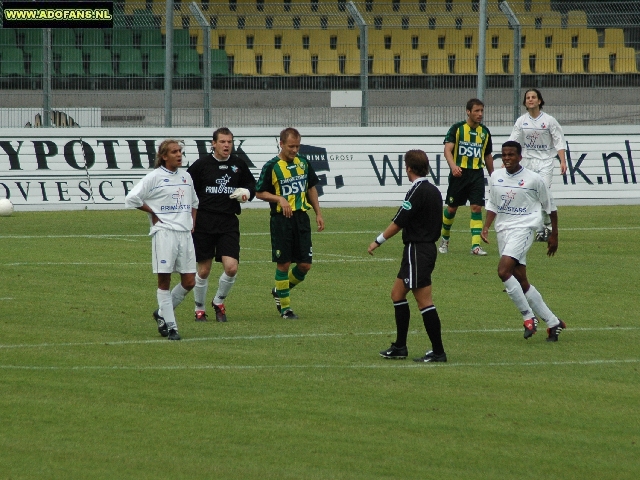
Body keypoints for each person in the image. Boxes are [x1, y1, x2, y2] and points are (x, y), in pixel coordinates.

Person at [481, 141, 566, 342]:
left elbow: (550, 207)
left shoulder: (534, 179)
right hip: (504, 230)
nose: (507, 158)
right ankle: (553, 322)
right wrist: (486, 226)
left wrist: (554, 234)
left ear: (520, 157)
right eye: (504, 155)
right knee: (521, 280)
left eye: (511, 154)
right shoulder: (495, 176)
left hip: (525, 229)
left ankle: (528, 317)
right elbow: (493, 203)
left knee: (503, 271)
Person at [369, 150, 447, 363]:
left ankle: (438, 351)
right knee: (397, 294)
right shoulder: (433, 190)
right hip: (422, 250)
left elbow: (399, 221)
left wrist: (378, 241)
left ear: (409, 168)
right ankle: (400, 347)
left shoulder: (417, 190)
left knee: (424, 301)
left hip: (417, 250)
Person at [125, 139, 199, 341]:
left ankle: (161, 313)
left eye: (180, 151)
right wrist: (153, 212)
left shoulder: (186, 177)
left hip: (185, 235)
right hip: (164, 234)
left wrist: (192, 223)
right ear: (164, 156)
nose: (179, 155)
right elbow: (132, 198)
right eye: (174, 152)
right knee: (164, 281)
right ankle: (172, 326)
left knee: (190, 280)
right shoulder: (154, 177)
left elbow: (194, 203)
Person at [187, 127, 256, 323]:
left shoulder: (238, 165)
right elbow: (187, 189)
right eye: (223, 142)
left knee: (232, 268)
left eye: (230, 142)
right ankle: (199, 308)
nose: (227, 145)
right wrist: (190, 218)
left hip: (228, 222)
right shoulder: (201, 165)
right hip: (204, 223)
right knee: (204, 270)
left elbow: (253, 186)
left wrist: (247, 193)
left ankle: (218, 302)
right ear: (214, 144)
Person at [255, 127, 325, 320]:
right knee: (284, 263)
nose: (295, 150)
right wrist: (279, 199)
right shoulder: (272, 166)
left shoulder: (303, 163)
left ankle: (279, 290)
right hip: (281, 221)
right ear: (281, 144)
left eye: (297, 146)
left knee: (305, 265)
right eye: (291, 146)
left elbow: (311, 188)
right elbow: (259, 192)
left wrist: (318, 213)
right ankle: (285, 309)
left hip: (301, 218)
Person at [508, 88, 567, 241]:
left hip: (545, 162)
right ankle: (543, 228)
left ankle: (546, 227)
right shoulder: (521, 121)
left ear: (539, 101)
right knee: (530, 197)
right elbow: (513, 142)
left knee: (543, 194)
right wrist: (507, 161)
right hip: (528, 162)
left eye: (533, 97)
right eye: (528, 98)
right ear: (525, 102)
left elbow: (559, 141)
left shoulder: (549, 121)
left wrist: (563, 161)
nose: (531, 100)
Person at [439, 98, 494, 256]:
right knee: (451, 209)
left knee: (476, 207)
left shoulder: (484, 132)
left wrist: (494, 176)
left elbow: (488, 155)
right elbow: (447, 150)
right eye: (476, 111)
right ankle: (445, 239)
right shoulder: (457, 129)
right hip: (459, 174)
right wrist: (454, 166)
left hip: (476, 174)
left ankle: (475, 246)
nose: (480, 114)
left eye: (482, 111)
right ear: (468, 112)